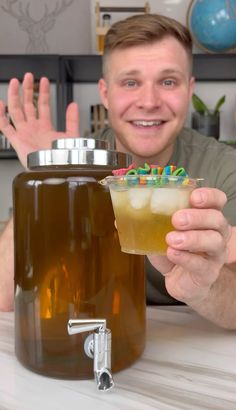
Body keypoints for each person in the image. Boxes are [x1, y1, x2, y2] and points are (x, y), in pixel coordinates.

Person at [0, 14, 236, 328]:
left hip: (191, 341)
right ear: (105, 93)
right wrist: (44, 172)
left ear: (189, 88)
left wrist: (204, 287)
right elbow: (4, 302)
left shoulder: (223, 169)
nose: (149, 101)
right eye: (130, 82)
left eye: (168, 81)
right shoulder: (76, 167)